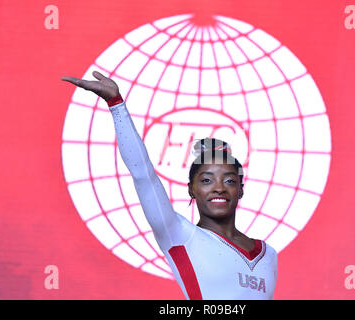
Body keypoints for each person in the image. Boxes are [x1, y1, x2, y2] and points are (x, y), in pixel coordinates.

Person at [61, 71, 278, 300]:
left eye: (229, 180)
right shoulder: (179, 234)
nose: (219, 188)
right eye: (206, 180)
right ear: (191, 189)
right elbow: (143, 174)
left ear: (241, 189)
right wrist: (116, 104)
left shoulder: (268, 255)